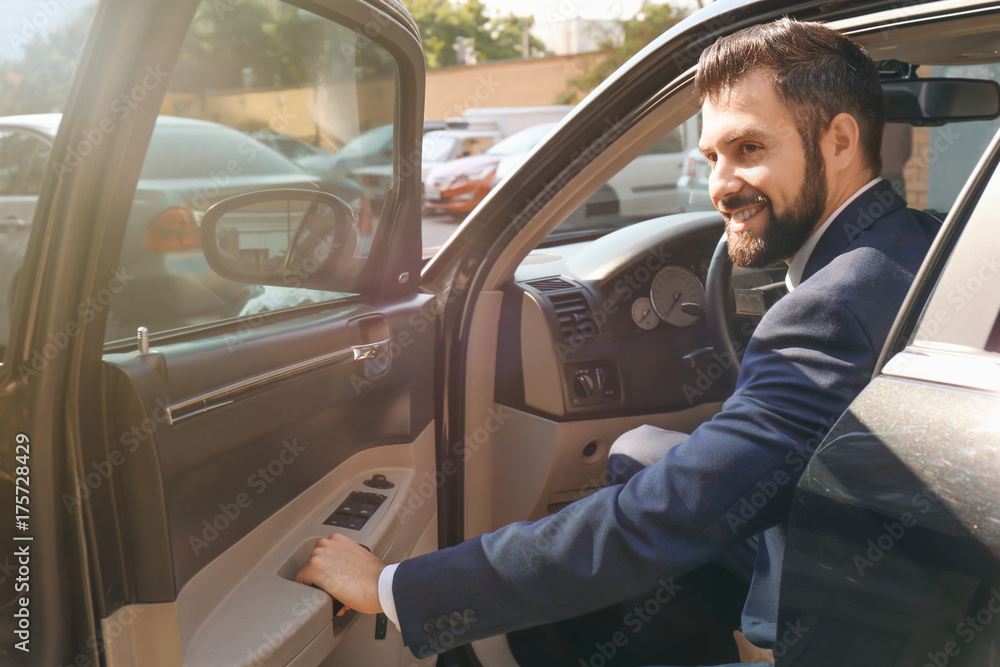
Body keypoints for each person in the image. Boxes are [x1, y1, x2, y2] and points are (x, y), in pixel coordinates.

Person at [296, 18, 940, 665]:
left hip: (868, 620)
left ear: (840, 140)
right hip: (897, 550)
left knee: (644, 516)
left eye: (748, 149)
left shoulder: (831, 307)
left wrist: (392, 585)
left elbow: (653, 522)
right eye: (713, 157)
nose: (720, 185)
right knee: (636, 450)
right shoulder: (924, 241)